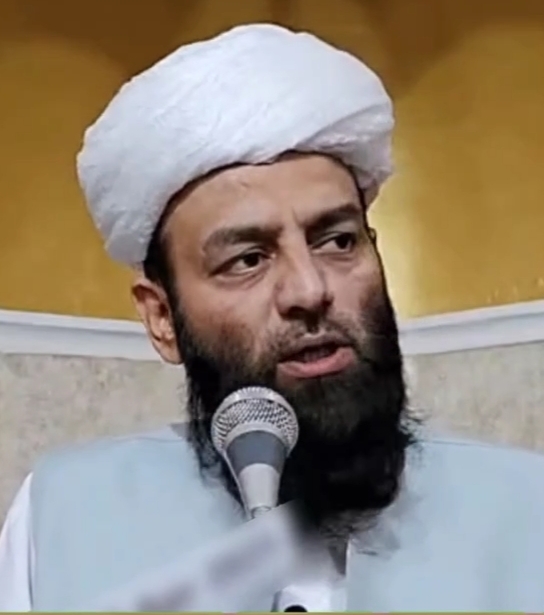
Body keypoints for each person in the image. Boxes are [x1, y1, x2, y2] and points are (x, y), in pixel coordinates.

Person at [1, 23, 544, 612]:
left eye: (338, 241)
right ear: (161, 318)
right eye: (248, 259)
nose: (310, 290)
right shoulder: (62, 518)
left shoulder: (528, 511)